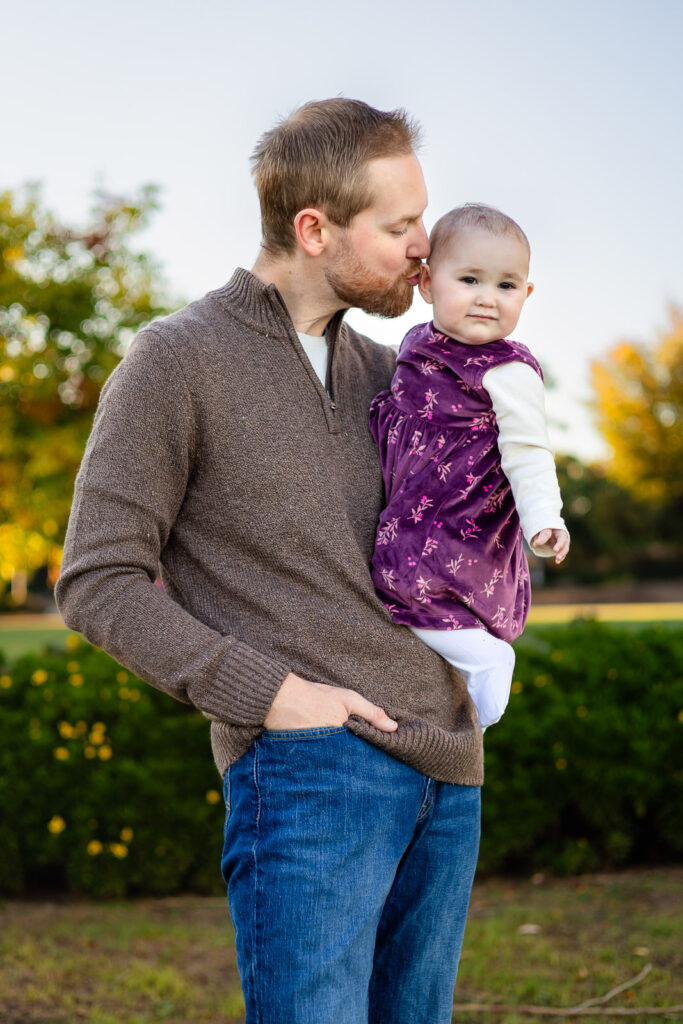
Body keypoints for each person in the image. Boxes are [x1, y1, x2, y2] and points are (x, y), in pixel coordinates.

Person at [55, 99, 482, 1024]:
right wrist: (275, 697)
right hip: (309, 773)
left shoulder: (399, 372)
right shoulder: (175, 361)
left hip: (446, 775)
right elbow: (97, 580)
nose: (425, 246)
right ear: (314, 229)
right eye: (400, 226)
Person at [370, 204, 570, 729]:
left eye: (506, 285)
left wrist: (545, 516)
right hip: (416, 497)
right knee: (400, 584)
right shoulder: (416, 343)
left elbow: (530, 451)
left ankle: (484, 665)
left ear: (525, 296)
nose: (487, 297)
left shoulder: (509, 371)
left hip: (461, 513)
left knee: (411, 585)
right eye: (470, 279)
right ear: (428, 283)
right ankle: (453, 674)